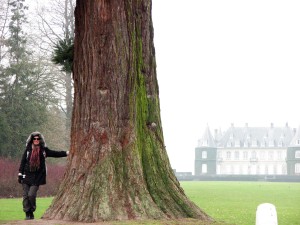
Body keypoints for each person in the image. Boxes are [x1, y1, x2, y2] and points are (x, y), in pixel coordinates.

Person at [18, 131, 69, 220]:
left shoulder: (44, 150)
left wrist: (66, 153)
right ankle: (27, 213)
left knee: (31, 195)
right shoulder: (28, 149)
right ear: (32, 140)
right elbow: (23, 162)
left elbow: (55, 153)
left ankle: (32, 210)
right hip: (26, 175)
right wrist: (20, 174)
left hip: (37, 177)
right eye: (34, 138)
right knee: (25, 196)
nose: (36, 140)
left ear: (40, 140)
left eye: (38, 138)